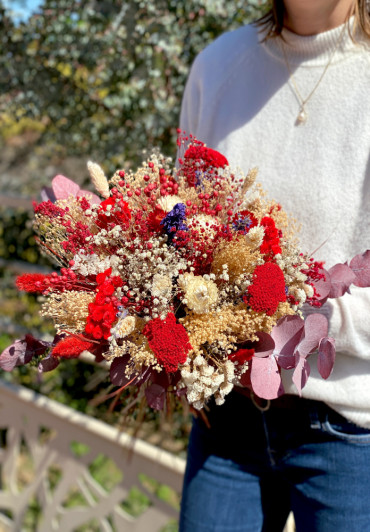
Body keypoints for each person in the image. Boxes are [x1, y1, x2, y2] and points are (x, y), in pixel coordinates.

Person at [178, 1, 370, 530]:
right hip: (227, 419)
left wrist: (285, 320)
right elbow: (181, 236)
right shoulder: (217, 67)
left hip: (349, 429)